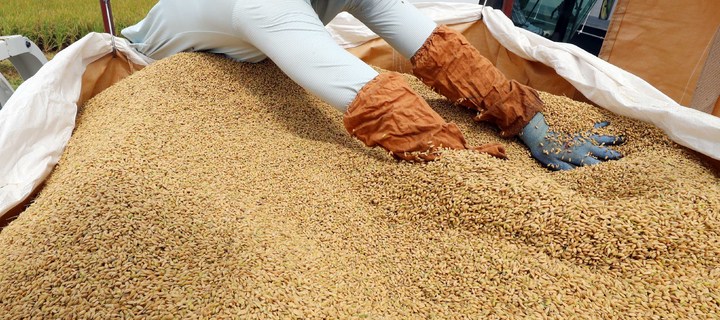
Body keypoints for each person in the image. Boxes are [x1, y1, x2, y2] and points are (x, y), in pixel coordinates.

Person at [122, 0, 624, 170]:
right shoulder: (262, 6)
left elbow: (437, 50)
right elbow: (374, 100)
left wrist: (532, 125)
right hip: (156, 69)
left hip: (253, 55)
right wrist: (471, 169)